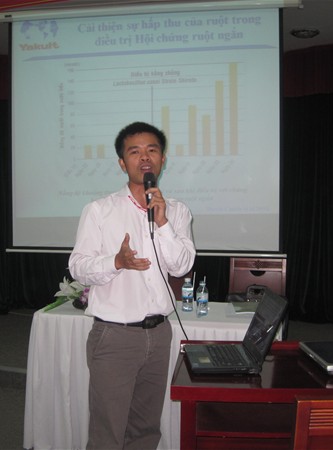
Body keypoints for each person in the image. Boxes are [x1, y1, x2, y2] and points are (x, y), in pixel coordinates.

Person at [69, 121, 196, 449]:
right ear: (122, 163)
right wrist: (116, 262)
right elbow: (78, 267)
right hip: (115, 336)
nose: (145, 157)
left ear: (163, 159)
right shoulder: (100, 210)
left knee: (145, 429)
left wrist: (163, 223)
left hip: (160, 333)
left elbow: (182, 265)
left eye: (152, 150)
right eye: (135, 151)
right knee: (108, 432)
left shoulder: (177, 212)